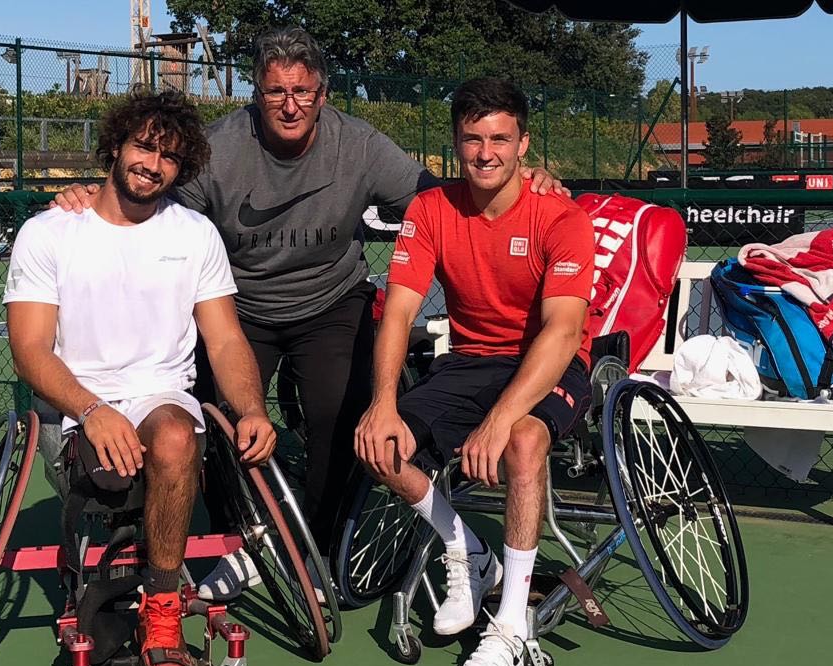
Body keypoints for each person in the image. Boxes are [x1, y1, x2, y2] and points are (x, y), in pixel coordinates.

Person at [53, 27, 566, 602]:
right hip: (240, 305)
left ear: (322, 94)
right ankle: (241, 545)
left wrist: (527, 179)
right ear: (256, 94)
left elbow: (448, 193)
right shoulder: (221, 149)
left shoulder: (360, 145)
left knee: (339, 417)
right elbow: (150, 199)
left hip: (330, 301)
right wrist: (87, 195)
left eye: (303, 91)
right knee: (220, 424)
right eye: (276, 92)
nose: (290, 104)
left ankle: (316, 551)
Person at [4, 91, 276, 666]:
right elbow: (29, 350)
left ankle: (162, 611)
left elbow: (225, 339)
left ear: (183, 168)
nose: (153, 164)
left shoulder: (195, 234)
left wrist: (251, 407)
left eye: (170, 157)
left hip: (161, 396)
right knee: (114, 459)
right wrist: (93, 408)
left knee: (176, 438)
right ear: (116, 145)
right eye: (144, 146)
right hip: (73, 406)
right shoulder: (48, 233)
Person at [354, 77, 595, 666]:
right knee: (382, 446)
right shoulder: (431, 211)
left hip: (548, 362)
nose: (486, 152)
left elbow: (564, 330)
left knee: (520, 442)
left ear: (523, 144)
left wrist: (500, 419)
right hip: (468, 362)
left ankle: (511, 625)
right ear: (455, 143)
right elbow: (399, 313)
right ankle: (468, 548)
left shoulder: (560, 216)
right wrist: (382, 402)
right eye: (472, 138)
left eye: (499, 138)